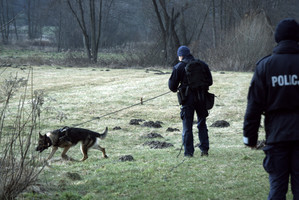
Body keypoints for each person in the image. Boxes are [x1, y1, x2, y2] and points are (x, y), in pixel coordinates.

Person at [243, 18, 299, 199]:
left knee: (277, 189)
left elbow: (254, 106)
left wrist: (250, 138)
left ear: (277, 38)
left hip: (276, 137)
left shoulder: (265, 66)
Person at [169, 46, 213, 157]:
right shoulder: (202, 64)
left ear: (181, 55)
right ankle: (204, 150)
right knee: (202, 123)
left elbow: (172, 86)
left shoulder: (179, 67)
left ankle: (188, 153)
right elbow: (210, 82)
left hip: (187, 99)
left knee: (187, 126)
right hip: (202, 98)